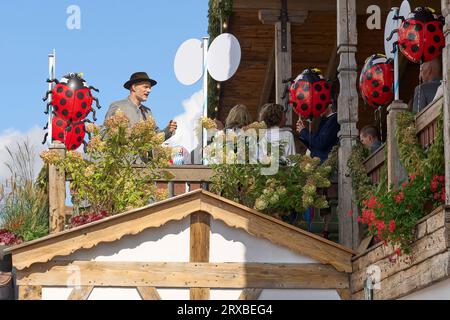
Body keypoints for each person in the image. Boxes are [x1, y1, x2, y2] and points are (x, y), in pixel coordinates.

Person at [296, 104, 340, 239]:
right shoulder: (324, 120)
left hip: (327, 167)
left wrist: (304, 132)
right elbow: (316, 145)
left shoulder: (335, 119)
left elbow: (320, 143)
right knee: (321, 202)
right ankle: (322, 230)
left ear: (330, 105)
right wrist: (303, 134)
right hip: (319, 165)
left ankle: (325, 231)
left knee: (325, 201)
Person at [104, 72, 177, 139]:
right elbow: (104, 132)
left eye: (150, 88)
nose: (149, 90)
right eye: (145, 87)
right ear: (133, 87)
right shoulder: (118, 106)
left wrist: (168, 130)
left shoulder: (148, 112)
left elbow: (154, 137)